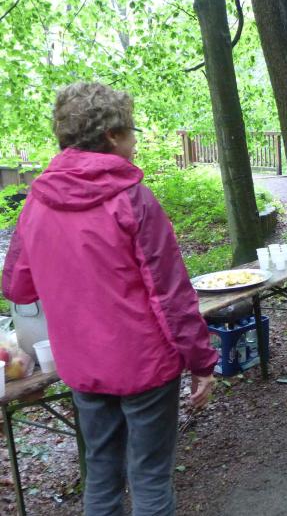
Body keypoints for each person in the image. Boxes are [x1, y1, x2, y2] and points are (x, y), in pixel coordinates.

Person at [2, 82, 218, 515]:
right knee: (150, 479)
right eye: (131, 131)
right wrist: (202, 363)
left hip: (83, 366)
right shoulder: (132, 199)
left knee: (101, 478)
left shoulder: (37, 203)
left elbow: (18, 287)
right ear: (112, 135)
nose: (135, 142)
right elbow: (171, 295)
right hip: (144, 365)